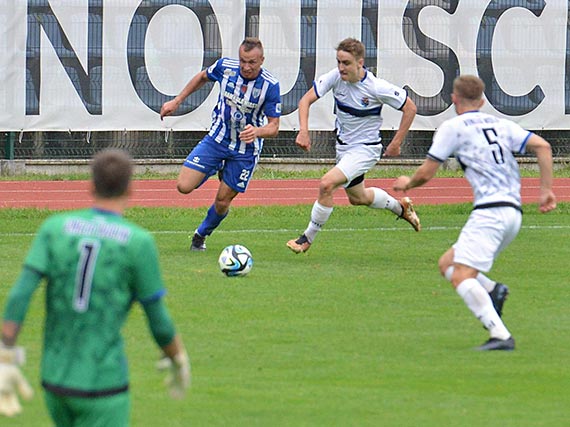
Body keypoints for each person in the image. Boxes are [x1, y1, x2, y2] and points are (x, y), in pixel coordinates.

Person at [0, 149, 190, 424]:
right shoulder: (137, 243)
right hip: (103, 383)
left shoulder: (54, 228)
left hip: (55, 381)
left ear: (90, 185)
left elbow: (20, 294)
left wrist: (5, 354)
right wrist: (177, 357)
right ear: (130, 189)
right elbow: (157, 319)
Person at [393, 75, 557, 351]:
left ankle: (500, 335)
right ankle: (493, 291)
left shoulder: (452, 127)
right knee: (447, 264)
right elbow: (543, 146)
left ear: (454, 99)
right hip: (512, 214)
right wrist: (546, 190)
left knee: (460, 275)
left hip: (490, 214)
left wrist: (407, 183)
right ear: (482, 101)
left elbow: (427, 171)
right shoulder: (500, 124)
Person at [286, 37, 420, 254]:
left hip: (365, 149)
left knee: (326, 184)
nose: (341, 68)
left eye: (346, 63)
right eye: (339, 62)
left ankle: (306, 239)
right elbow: (305, 101)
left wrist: (396, 143)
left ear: (360, 62)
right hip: (343, 149)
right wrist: (303, 130)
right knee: (359, 198)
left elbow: (410, 108)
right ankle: (400, 208)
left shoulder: (377, 87)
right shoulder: (336, 78)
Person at [161, 37, 281, 251]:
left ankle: (200, 235)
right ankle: (217, 165)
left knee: (223, 201)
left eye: (252, 62)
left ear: (262, 60)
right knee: (183, 186)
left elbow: (274, 127)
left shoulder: (270, 86)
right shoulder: (225, 67)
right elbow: (202, 77)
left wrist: (257, 131)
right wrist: (176, 101)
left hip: (245, 150)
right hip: (217, 139)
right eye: (243, 60)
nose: (246, 66)